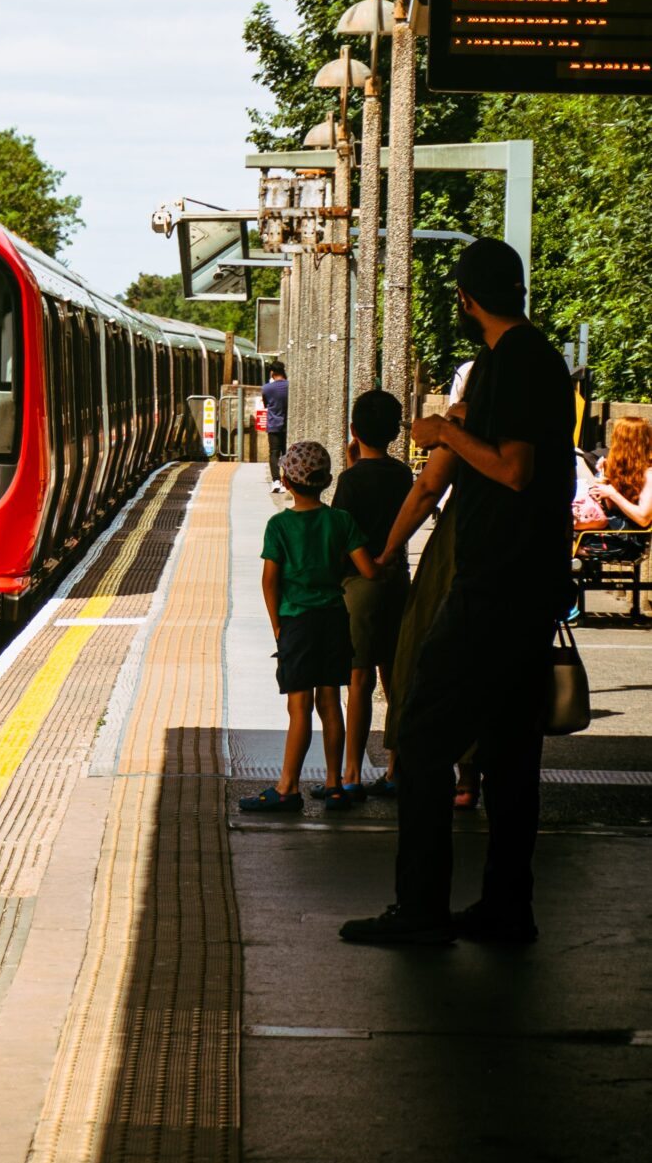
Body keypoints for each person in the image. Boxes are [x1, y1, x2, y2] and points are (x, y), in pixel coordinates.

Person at [340, 237, 575, 948]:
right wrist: (461, 426)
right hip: (531, 583)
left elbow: (512, 469)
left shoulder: (510, 362)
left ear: (467, 301)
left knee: (420, 735)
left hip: (493, 585)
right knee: (508, 754)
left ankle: (421, 908)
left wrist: (444, 426)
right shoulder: (541, 361)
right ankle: (506, 907)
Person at [239, 439, 376, 815]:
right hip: (334, 619)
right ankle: (334, 785)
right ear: (327, 481)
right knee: (330, 702)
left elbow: (270, 581)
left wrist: (277, 626)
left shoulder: (279, 525)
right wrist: (386, 566)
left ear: (285, 480)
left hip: (297, 622)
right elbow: (367, 569)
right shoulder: (341, 521)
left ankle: (288, 788)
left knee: (299, 707)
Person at [330, 388, 414, 796]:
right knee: (396, 679)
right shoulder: (403, 475)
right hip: (396, 580)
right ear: (395, 433)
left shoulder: (350, 480)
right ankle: (396, 768)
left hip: (359, 587)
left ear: (353, 430)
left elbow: (343, 530)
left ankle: (351, 775)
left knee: (359, 680)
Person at [595, 413, 652, 527]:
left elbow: (643, 519)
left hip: (630, 533)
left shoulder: (649, 473)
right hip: (613, 525)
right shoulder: (618, 467)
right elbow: (611, 507)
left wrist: (612, 493)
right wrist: (603, 477)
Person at [262, 359, 288, 487]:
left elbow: (265, 404)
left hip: (273, 425)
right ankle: (287, 479)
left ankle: (276, 480)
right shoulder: (289, 386)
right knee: (287, 453)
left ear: (272, 373)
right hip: (287, 425)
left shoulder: (266, 388)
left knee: (274, 453)